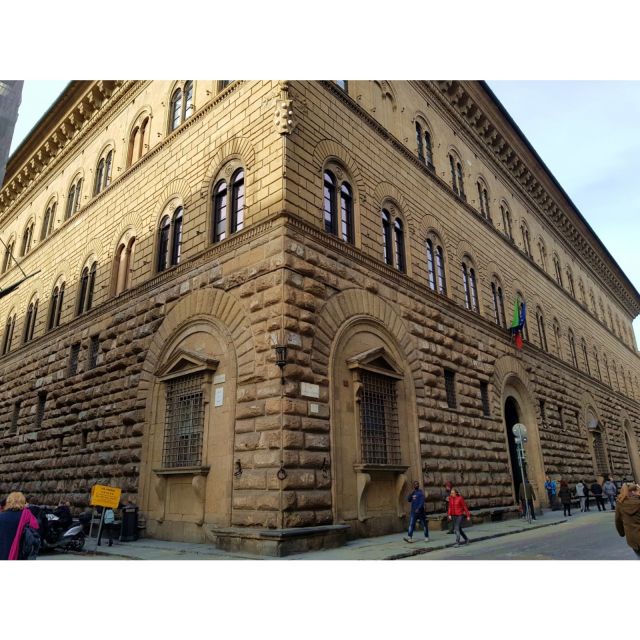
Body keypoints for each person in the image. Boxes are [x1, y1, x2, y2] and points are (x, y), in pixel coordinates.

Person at [0, 491, 39, 560]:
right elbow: (35, 534)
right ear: (23, 502)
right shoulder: (28, 516)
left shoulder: (1, 516)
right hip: (20, 555)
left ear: (8, 502)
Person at [614, 483, 640, 559]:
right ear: (633, 492)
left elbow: (618, 521)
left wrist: (621, 533)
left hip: (633, 539)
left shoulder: (620, 503)